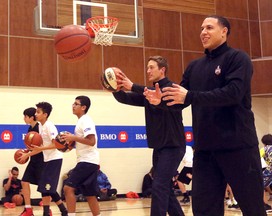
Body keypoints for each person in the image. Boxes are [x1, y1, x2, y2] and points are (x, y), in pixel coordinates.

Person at [143, 15, 266, 215]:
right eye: (201, 28)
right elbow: (179, 100)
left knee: (252, 208)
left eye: (209, 27)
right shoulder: (194, 66)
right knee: (203, 210)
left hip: (238, 147)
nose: (203, 32)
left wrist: (190, 96)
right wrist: (161, 102)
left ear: (224, 31)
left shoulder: (238, 58)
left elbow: (233, 94)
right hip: (205, 150)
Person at [113, 56, 186, 216]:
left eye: (151, 67)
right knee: (164, 187)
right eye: (147, 68)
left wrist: (132, 85)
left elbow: (153, 93)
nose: (148, 71)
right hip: (159, 147)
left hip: (173, 147)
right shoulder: (149, 93)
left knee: (159, 186)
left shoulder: (171, 88)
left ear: (162, 70)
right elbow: (126, 98)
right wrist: (114, 88)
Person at [22, 102, 67, 216]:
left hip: (55, 159)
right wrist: (27, 155)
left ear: (45, 114)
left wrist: (42, 148)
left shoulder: (49, 126)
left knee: (45, 188)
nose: (36, 114)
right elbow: (40, 148)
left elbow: (57, 144)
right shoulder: (41, 126)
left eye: (38, 112)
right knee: (46, 188)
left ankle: (47, 213)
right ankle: (63, 211)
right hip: (47, 159)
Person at [62, 96, 101, 216]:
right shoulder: (81, 121)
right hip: (90, 161)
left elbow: (91, 141)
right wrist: (71, 143)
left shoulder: (86, 120)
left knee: (68, 189)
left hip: (87, 161)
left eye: (76, 104)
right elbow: (84, 141)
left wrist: (73, 138)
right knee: (90, 194)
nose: (73, 106)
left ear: (83, 107)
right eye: (73, 103)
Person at [19, 107, 45, 215]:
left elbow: (40, 148)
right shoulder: (30, 129)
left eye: (25, 116)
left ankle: (48, 210)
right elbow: (32, 147)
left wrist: (27, 154)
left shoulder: (39, 128)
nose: (23, 118)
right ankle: (28, 209)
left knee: (44, 187)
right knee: (24, 182)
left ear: (31, 117)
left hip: (41, 160)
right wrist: (25, 152)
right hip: (33, 160)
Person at [261, 134, 272, 212]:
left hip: (269, 170)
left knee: (261, 185)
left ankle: (265, 205)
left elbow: (258, 159)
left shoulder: (264, 149)